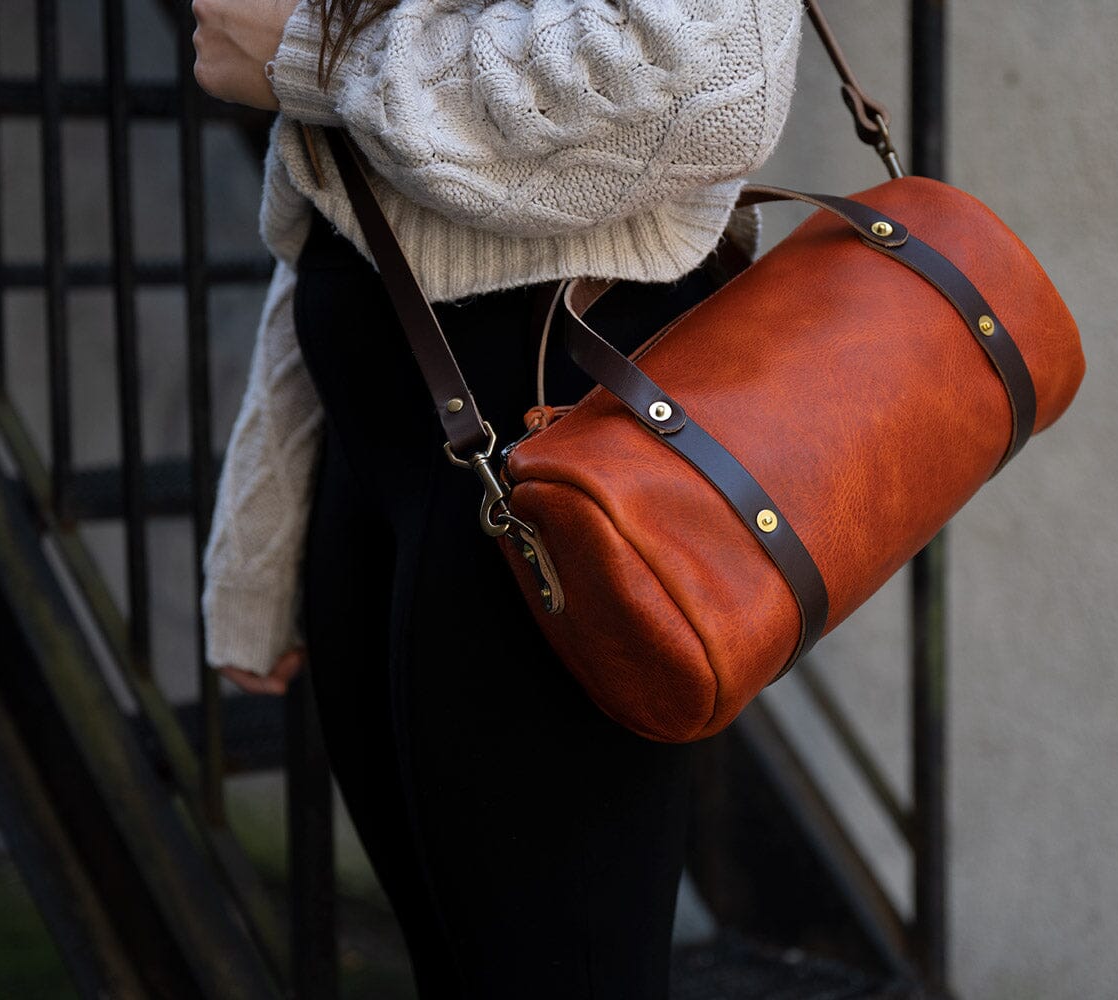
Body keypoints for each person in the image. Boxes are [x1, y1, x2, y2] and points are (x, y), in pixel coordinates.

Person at [191, 0, 801, 995]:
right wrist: (266, 518)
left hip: (555, 449)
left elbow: (704, 75)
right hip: (389, 447)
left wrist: (315, 55)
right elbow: (351, 196)